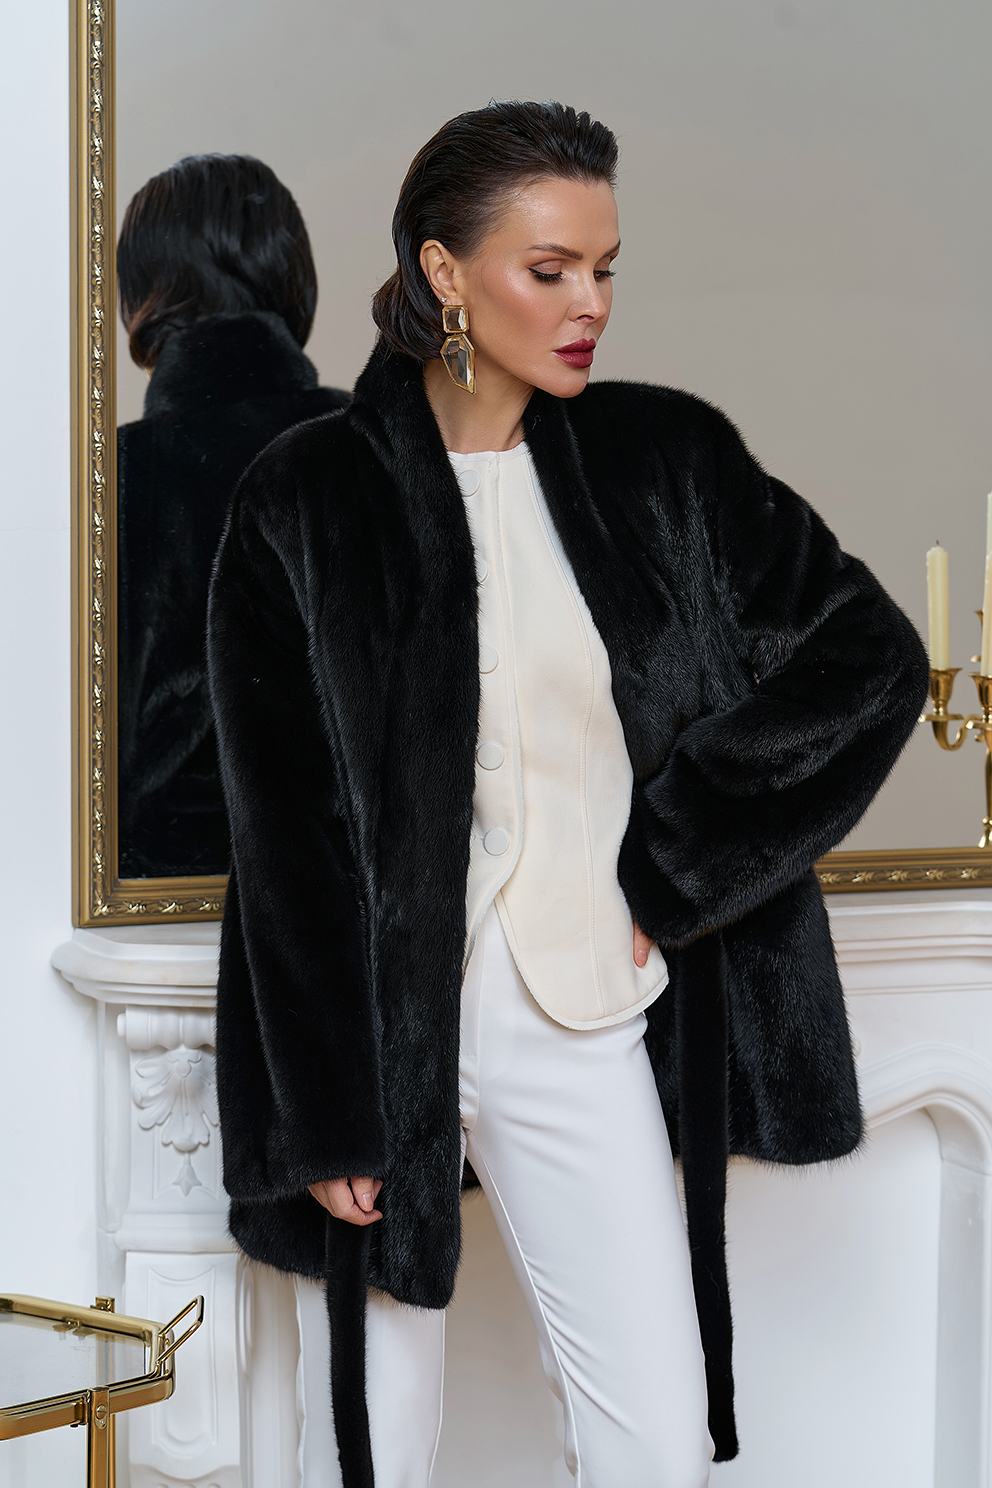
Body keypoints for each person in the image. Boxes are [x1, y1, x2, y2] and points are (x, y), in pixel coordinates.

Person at [206, 103, 928, 1488]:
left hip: (577, 1010)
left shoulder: (665, 464)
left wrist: (677, 862)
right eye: (550, 270)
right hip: (380, 1032)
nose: (589, 302)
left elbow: (869, 660)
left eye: (604, 268)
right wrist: (326, 1107)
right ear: (443, 272)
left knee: (653, 1440)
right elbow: (282, 829)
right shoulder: (305, 497)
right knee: (368, 1449)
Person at [116, 153, 350, 879]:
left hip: (147, 904)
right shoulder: (387, 447)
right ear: (292, 277)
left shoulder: (113, 477)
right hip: (369, 908)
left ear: (142, 291)